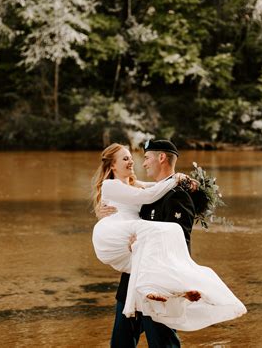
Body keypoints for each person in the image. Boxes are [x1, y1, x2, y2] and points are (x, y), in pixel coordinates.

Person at [92, 140, 246, 347]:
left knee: (163, 344)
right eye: (128, 158)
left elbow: (180, 239)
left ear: (161, 158)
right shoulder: (147, 195)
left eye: (146, 158)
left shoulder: (177, 196)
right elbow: (128, 211)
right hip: (131, 282)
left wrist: (182, 284)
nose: (141, 163)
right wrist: (106, 219)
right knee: (120, 343)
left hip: (159, 286)